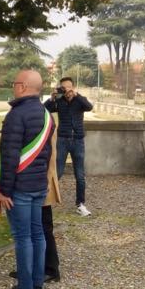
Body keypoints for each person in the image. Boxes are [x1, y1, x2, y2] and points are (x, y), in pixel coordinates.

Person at [0, 70, 54, 289]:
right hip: (38, 184)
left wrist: (4, 190)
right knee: (37, 234)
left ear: (22, 86)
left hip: (20, 187)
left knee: (23, 237)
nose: (13, 86)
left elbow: (10, 156)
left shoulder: (16, 114)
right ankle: (37, 285)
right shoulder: (46, 114)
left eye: (15, 83)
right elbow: (47, 153)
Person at [45, 76, 93, 216]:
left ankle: (80, 204)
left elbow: (89, 107)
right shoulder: (59, 101)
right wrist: (52, 98)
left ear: (73, 87)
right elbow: (44, 109)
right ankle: (46, 201)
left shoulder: (79, 100)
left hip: (78, 141)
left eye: (68, 87)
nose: (66, 89)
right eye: (63, 87)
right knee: (57, 172)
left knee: (80, 175)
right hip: (62, 140)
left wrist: (77, 95)